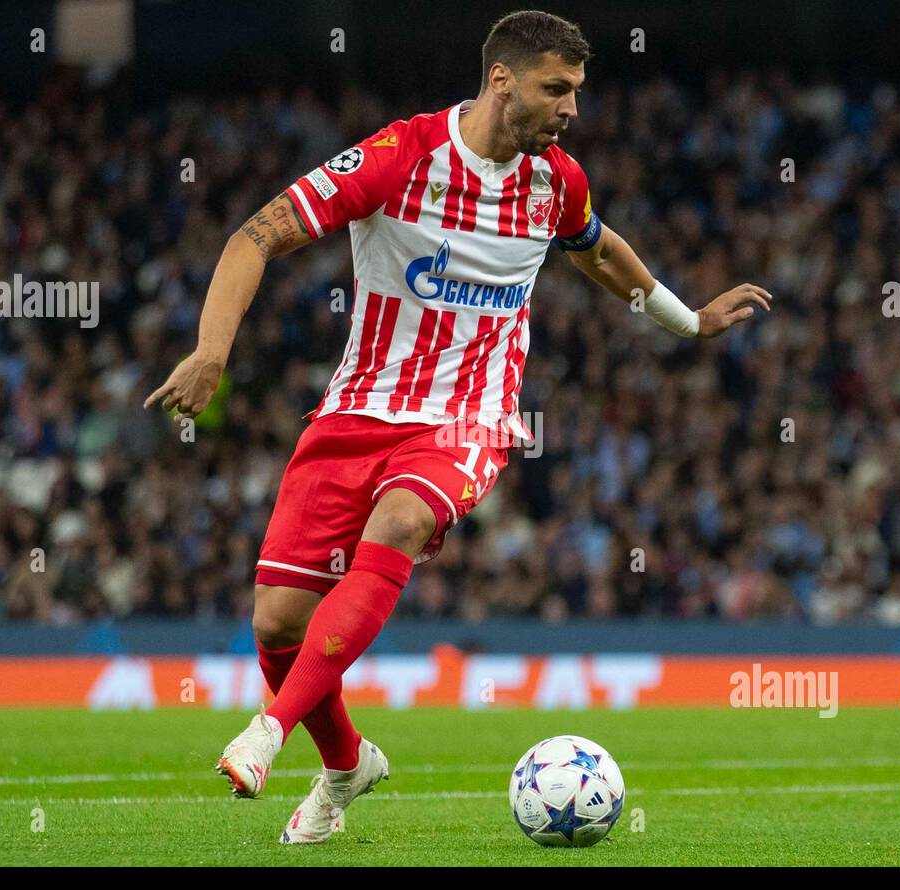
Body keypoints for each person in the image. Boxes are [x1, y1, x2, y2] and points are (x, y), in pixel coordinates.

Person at [146, 10, 769, 843]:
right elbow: (253, 237)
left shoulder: (557, 183)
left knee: (401, 519)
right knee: (277, 625)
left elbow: (598, 251)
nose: (570, 109)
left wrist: (685, 320)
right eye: (557, 89)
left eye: (577, 92)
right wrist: (210, 353)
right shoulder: (401, 158)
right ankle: (346, 766)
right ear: (502, 81)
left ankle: (268, 732)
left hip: (470, 417)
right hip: (357, 409)